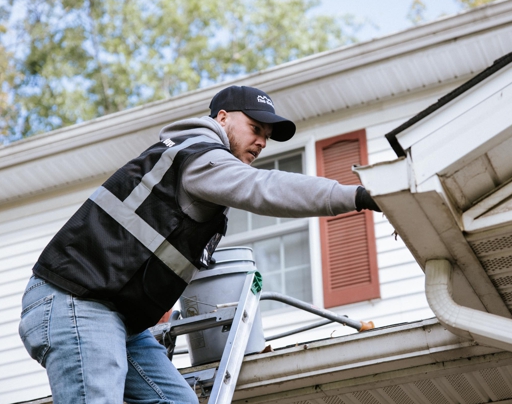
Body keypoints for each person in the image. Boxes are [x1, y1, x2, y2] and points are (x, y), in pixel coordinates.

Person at [18, 85, 381, 404]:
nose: (261, 141)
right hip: (74, 302)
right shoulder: (200, 156)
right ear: (222, 118)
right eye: (256, 128)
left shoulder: (192, 165)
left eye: (267, 136)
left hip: (118, 318)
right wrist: (359, 195)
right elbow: (266, 188)